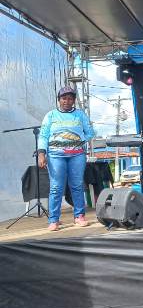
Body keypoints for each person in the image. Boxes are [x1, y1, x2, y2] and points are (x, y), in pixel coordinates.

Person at [37, 86, 95, 231]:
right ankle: (54, 220)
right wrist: (41, 153)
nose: (67, 101)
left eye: (70, 98)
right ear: (59, 100)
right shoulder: (50, 115)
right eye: (64, 98)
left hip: (77, 155)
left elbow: (90, 132)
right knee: (56, 187)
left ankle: (79, 216)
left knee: (77, 185)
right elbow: (43, 136)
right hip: (55, 156)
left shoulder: (80, 115)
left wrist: (80, 140)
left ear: (74, 100)